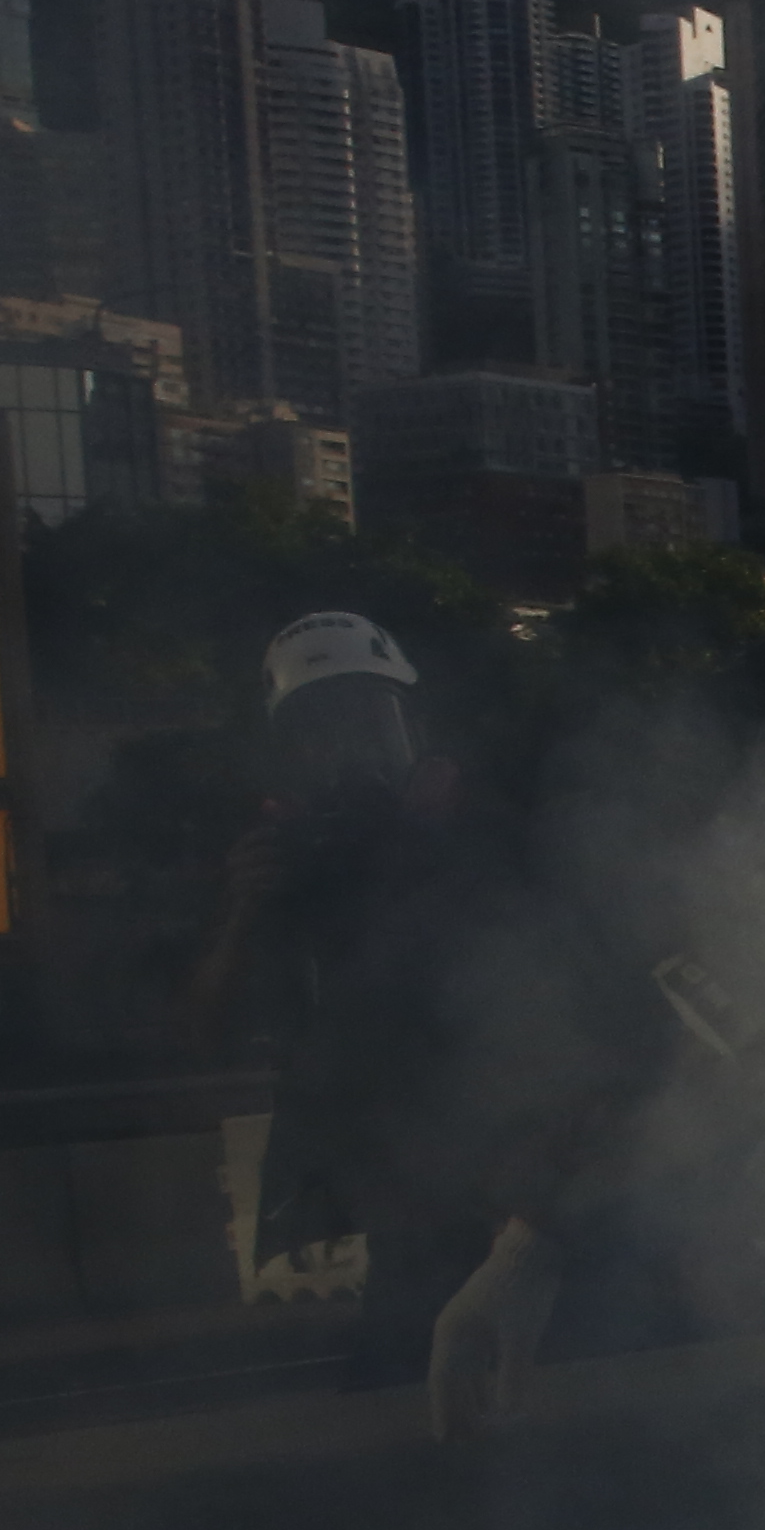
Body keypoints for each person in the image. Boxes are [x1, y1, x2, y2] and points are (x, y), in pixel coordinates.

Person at [184, 609, 669, 1436]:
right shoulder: (295, 874)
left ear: (412, 724)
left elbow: (590, 1013)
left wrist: (430, 841)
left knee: (559, 1432)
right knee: (408, 1440)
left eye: (373, 719)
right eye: (321, 730)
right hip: (406, 1222)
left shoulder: (484, 839)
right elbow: (200, 1037)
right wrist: (240, 915)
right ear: (290, 751)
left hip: (524, 1206)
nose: (352, 751)